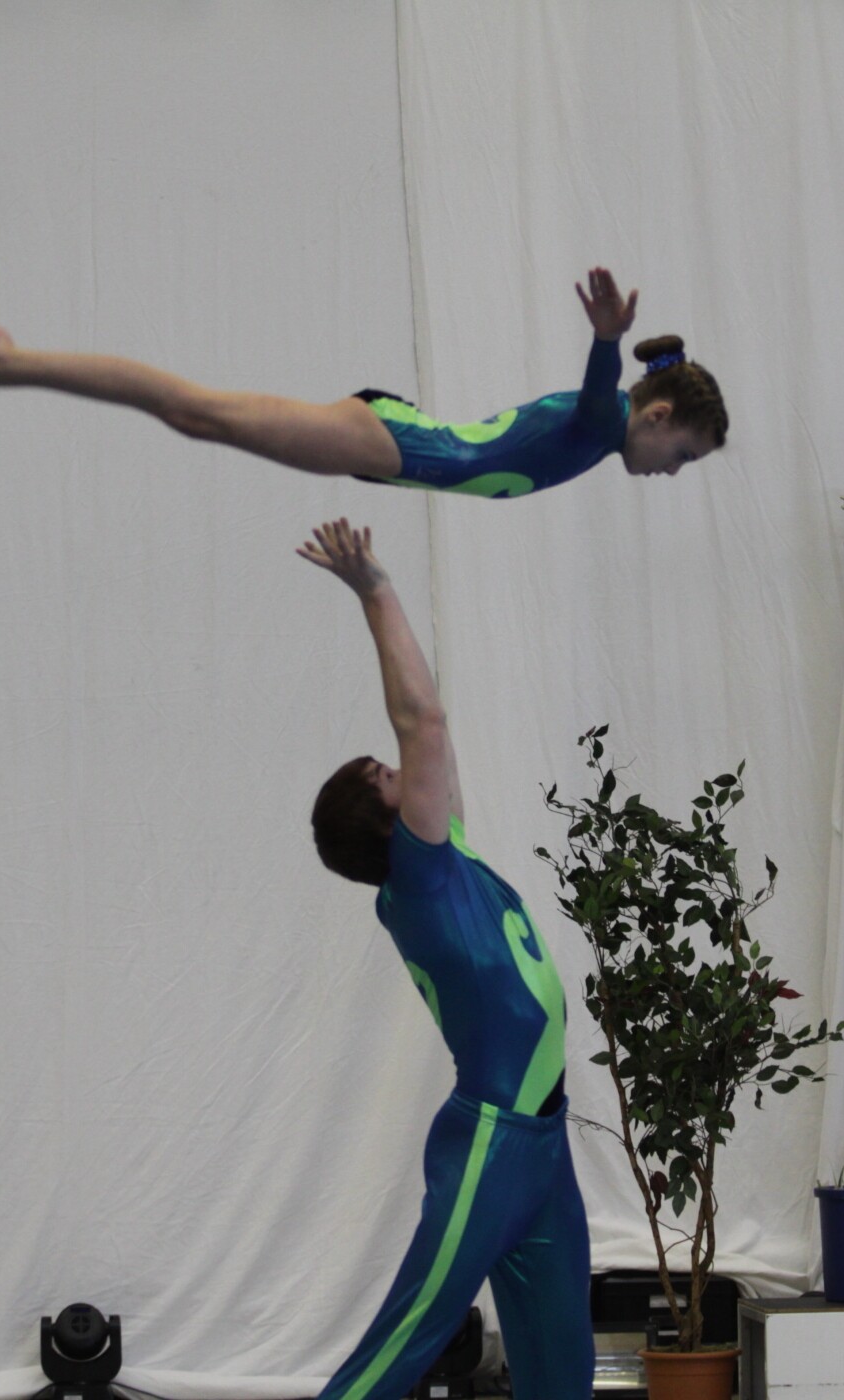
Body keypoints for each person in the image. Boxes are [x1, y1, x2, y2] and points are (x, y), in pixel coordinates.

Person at [298, 517, 588, 1400]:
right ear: (387, 819)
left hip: (542, 1146)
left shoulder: (444, 859)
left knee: (562, 1372)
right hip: (494, 1141)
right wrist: (374, 590)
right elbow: (422, 719)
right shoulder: (420, 881)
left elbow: (435, 741)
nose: (408, 771)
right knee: (403, 1344)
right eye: (389, 776)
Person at [0, 268, 726, 497]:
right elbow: (599, 394)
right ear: (657, 416)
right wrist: (606, 339)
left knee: (197, 416)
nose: (672, 473)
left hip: (394, 447)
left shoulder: (605, 433)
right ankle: (5, 361)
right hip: (395, 442)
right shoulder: (602, 421)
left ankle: (7, 363)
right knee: (195, 412)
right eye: (683, 455)